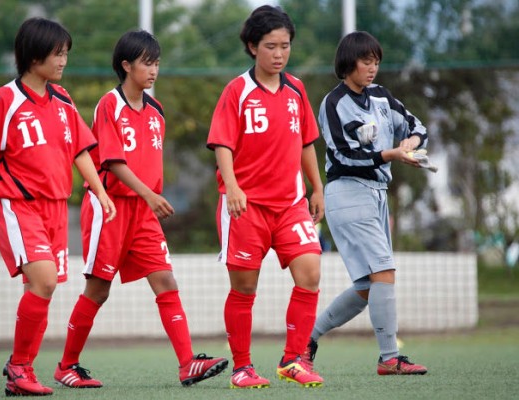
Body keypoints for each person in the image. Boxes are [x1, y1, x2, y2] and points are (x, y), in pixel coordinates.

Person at [0, 17, 116, 397]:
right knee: (44, 280)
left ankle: (22, 372)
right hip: (18, 204)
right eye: (57, 54)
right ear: (34, 55)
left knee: (41, 288)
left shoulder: (63, 99)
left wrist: (100, 191)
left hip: (56, 209)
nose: (63, 61)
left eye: (66, 54)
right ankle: (19, 366)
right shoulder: (4, 99)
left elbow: (80, 151)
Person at [54, 30, 228, 389]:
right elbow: (113, 162)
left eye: (157, 63)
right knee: (98, 289)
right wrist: (149, 194)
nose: (153, 70)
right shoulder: (109, 105)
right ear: (126, 65)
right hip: (110, 208)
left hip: (143, 212)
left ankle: (187, 364)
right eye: (147, 63)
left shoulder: (156, 110)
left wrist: (148, 197)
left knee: (165, 280)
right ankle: (66, 365)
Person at [207, 5, 325, 389]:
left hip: (290, 204)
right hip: (246, 207)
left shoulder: (296, 89)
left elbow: (306, 141)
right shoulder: (237, 91)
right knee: (244, 289)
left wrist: (316, 186)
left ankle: (293, 360)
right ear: (252, 46)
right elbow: (222, 143)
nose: (279, 54)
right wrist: (233, 187)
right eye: (271, 46)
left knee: (309, 273)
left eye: (285, 46)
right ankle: (242, 367)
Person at [301, 31, 428, 376]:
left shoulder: (382, 97)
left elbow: (418, 126)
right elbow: (344, 154)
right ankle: (389, 357)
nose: (372, 68)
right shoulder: (333, 103)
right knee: (384, 272)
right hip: (348, 191)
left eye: (376, 62)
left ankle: (306, 341)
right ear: (348, 63)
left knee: (366, 286)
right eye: (366, 61)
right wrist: (392, 153)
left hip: (376, 194)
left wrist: (411, 142)